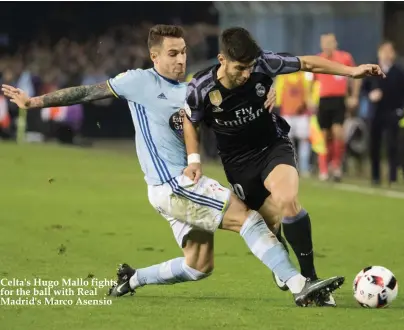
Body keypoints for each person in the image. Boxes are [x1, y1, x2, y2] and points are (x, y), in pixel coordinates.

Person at [2, 24, 344, 307]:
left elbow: (236, 103)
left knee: (199, 266)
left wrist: (269, 93)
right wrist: (34, 102)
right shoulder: (138, 82)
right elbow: (88, 92)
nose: (181, 59)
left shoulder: (192, 91)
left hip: (171, 190)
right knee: (249, 220)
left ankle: (132, 278)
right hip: (174, 185)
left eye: (183, 52)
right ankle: (299, 284)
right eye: (172, 53)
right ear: (154, 56)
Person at [183, 27, 384, 306]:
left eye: (249, 67)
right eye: (240, 68)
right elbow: (190, 122)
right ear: (222, 59)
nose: (246, 74)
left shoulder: (264, 63)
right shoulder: (200, 87)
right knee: (273, 222)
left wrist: (352, 72)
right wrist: (194, 160)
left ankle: (312, 279)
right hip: (238, 164)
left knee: (288, 200)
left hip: (272, 146)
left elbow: (308, 62)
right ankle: (282, 258)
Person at [307, 34, 361, 181]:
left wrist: (354, 96)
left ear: (335, 43)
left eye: (330, 42)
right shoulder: (318, 59)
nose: (327, 45)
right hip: (323, 100)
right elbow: (311, 81)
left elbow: (356, 76)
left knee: (338, 132)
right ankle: (324, 168)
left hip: (338, 100)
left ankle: (336, 166)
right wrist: (310, 99)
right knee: (324, 135)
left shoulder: (344, 57)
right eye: (324, 43)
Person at [362, 41, 404, 186]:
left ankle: (392, 177)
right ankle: (375, 177)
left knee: (392, 145)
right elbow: (364, 89)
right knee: (374, 145)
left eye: (390, 51)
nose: (387, 54)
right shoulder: (371, 69)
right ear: (379, 53)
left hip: (391, 112)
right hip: (375, 112)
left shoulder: (399, 72)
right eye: (384, 51)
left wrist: (401, 110)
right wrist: (370, 95)